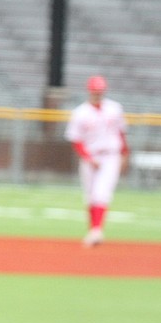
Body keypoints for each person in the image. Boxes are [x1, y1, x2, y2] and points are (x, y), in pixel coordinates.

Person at [65, 74, 129, 247]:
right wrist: (88, 158)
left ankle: (97, 230)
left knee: (102, 193)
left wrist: (124, 154)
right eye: (95, 91)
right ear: (89, 91)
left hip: (110, 156)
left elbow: (121, 133)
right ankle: (94, 230)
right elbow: (76, 140)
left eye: (100, 91)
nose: (97, 94)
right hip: (91, 156)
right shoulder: (80, 112)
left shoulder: (115, 108)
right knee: (90, 196)